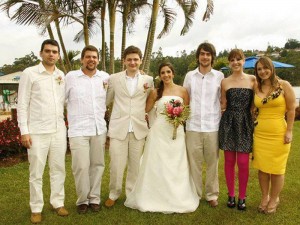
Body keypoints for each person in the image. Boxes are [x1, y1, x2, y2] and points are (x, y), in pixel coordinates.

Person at [125, 62, 199, 213]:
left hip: (176, 133)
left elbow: (186, 110)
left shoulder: (182, 91)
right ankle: (153, 196)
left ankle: (177, 196)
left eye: (168, 72)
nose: (166, 75)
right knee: (157, 163)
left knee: (175, 164)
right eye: (163, 72)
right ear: (159, 75)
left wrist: (179, 119)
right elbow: (145, 109)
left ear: (173, 73)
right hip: (159, 132)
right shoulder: (155, 92)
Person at [17, 39, 68, 224]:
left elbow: (65, 101)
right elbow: (22, 104)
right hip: (37, 131)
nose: (51, 54)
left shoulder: (61, 75)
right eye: (48, 51)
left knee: (58, 169)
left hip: (58, 130)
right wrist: (24, 131)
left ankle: (57, 202)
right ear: (41, 53)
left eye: (55, 51)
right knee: (36, 172)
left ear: (58, 55)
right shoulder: (29, 73)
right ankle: (36, 207)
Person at [104, 46, 154, 208]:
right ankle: (114, 193)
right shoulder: (114, 78)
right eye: (129, 59)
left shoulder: (148, 81)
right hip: (119, 127)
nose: (132, 62)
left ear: (140, 61)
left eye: (135, 59)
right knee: (116, 165)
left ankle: (131, 194)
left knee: (135, 165)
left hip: (138, 128)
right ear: (124, 61)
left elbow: (150, 104)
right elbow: (107, 100)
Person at [65, 45, 109, 214]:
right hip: (78, 130)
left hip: (99, 128)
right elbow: (62, 99)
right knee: (81, 166)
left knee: (98, 165)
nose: (91, 59)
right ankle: (82, 200)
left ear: (98, 60)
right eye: (88, 56)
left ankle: (95, 198)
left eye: (94, 57)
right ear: (82, 59)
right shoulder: (71, 77)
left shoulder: (105, 78)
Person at [252, 56, 296, 214]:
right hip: (260, 134)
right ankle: (265, 197)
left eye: (265, 68)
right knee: (262, 169)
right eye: (259, 69)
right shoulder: (256, 87)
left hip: (279, 133)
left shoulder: (284, 85)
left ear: (271, 68)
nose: (263, 71)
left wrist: (289, 130)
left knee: (277, 169)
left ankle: (274, 198)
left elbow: (291, 109)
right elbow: (253, 108)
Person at [183, 42, 224, 207]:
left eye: (208, 54)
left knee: (213, 162)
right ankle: (195, 193)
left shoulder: (219, 76)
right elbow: (185, 99)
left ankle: (211, 194)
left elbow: (222, 100)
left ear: (212, 57)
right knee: (194, 162)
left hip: (212, 126)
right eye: (202, 54)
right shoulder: (189, 76)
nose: (205, 57)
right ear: (198, 56)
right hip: (192, 126)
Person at [219, 49, 256, 210]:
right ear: (229, 62)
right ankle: (231, 195)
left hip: (245, 123)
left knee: (242, 162)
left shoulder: (253, 80)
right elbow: (223, 104)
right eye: (232, 60)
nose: (235, 62)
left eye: (238, 59)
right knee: (229, 161)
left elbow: (255, 104)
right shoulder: (225, 82)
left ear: (244, 60)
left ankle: (242, 196)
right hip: (228, 122)